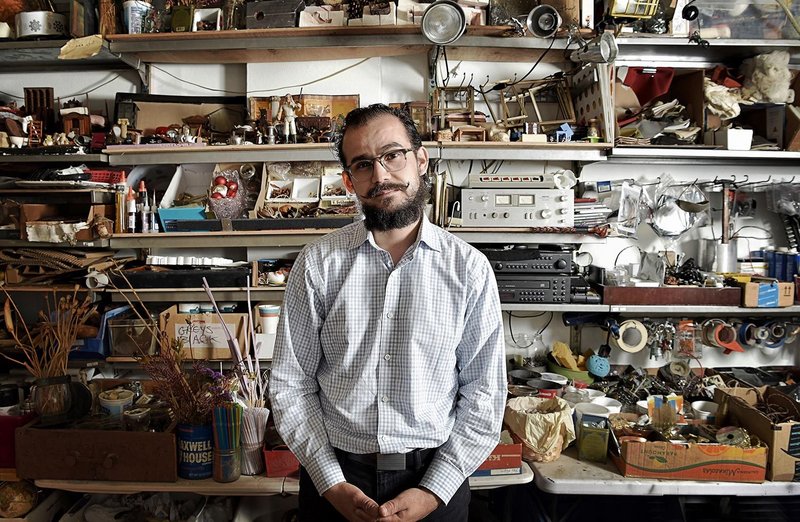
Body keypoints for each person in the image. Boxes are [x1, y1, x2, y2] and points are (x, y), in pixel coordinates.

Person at [269, 104, 506, 521]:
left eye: (392, 155)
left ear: (420, 160)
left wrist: (436, 489)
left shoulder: (468, 269)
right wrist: (330, 482)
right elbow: (291, 385)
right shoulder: (319, 263)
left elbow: (484, 395)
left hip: (435, 479)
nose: (380, 176)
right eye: (363, 164)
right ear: (348, 180)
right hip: (337, 480)